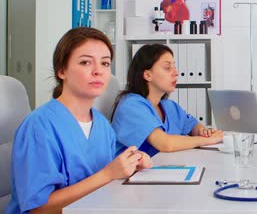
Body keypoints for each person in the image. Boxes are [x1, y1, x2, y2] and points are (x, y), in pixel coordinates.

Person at [7, 27, 152, 214]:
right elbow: (39, 208)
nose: (98, 71)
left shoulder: (102, 125)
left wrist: (129, 166)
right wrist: (108, 174)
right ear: (62, 71)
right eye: (85, 62)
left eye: (105, 63)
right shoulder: (39, 126)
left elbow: (101, 183)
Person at [111, 44, 223, 157]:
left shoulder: (169, 106)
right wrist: (208, 140)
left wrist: (203, 132)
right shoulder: (131, 105)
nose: (176, 73)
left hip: (159, 168)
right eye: (167, 68)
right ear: (147, 75)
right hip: (131, 174)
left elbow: (192, 125)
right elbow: (165, 143)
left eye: (174, 67)